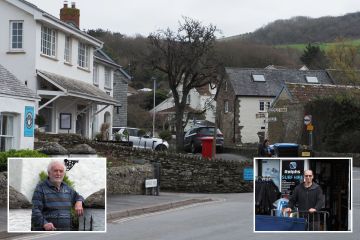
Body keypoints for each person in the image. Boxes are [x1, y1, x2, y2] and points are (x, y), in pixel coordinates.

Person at [31, 160, 84, 231]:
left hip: (66, 231)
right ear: (49, 173)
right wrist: (44, 223)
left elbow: (78, 196)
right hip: (47, 232)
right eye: (55, 171)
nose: (58, 173)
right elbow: (35, 210)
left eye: (61, 171)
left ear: (64, 174)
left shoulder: (67, 188)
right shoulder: (40, 189)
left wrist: (79, 202)